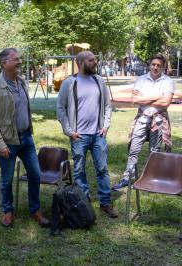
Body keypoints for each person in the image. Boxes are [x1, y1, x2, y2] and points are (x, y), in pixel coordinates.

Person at [0, 48, 49, 228]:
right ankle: (8, 211)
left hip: (26, 139)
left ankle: (35, 210)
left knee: (35, 175)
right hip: (7, 142)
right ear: (4, 64)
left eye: (18, 58)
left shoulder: (21, 82)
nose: (19, 62)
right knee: (7, 179)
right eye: (15, 59)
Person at [57, 51, 118, 218]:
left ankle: (105, 203)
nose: (95, 62)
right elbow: (60, 108)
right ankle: (84, 203)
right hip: (79, 136)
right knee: (79, 171)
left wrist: (105, 126)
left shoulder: (99, 80)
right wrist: (69, 131)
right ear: (81, 63)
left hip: (98, 134)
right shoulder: (69, 83)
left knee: (102, 169)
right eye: (91, 60)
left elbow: (107, 105)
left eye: (95, 59)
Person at [112, 54, 175, 191]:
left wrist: (144, 98)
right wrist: (158, 96)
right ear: (150, 65)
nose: (155, 67)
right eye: (153, 64)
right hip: (141, 119)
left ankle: (152, 179)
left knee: (154, 151)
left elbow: (165, 103)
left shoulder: (168, 81)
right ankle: (128, 178)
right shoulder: (141, 79)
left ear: (163, 67)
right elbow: (134, 100)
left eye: (159, 65)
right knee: (133, 149)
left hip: (158, 120)